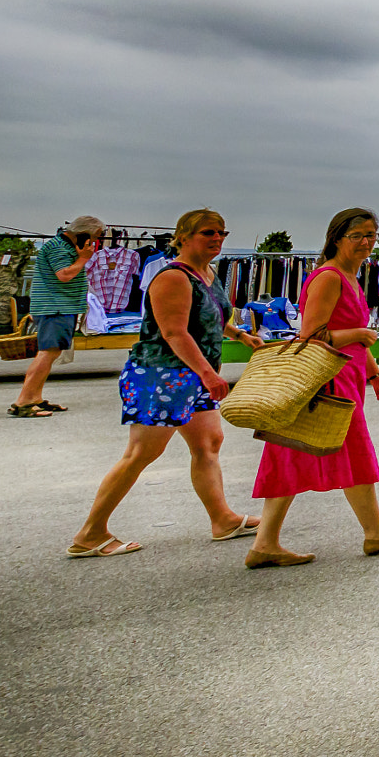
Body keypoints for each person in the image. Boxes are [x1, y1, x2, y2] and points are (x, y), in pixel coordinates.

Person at [67, 209, 265, 557]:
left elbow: (209, 315)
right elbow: (174, 331)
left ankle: (223, 520)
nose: (217, 238)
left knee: (208, 443)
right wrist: (208, 373)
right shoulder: (173, 276)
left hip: (191, 375)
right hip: (162, 375)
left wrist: (239, 334)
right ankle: (90, 534)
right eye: (208, 232)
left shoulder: (207, 273)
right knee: (142, 453)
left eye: (222, 232)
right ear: (184, 236)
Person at [246, 208, 379, 569]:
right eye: (357, 235)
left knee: (289, 453)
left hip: (347, 375)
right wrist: (358, 335)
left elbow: (355, 338)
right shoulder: (329, 277)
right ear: (337, 237)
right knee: (351, 450)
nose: (366, 242)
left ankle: (265, 543)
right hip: (329, 378)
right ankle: (376, 532)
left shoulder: (350, 276)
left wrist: (376, 377)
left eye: (372, 235)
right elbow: (311, 335)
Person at [13, 215, 103, 417]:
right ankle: (24, 402)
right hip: (55, 307)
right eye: (95, 236)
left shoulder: (62, 246)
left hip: (59, 307)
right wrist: (83, 259)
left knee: (50, 353)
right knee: (47, 353)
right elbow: (64, 275)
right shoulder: (59, 248)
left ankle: (35, 398)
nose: (96, 241)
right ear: (83, 234)